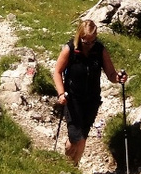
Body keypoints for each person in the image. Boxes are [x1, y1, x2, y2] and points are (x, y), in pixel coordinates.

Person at [52, 17, 126, 165]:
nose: (90, 45)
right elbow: (57, 72)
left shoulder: (99, 50)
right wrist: (61, 93)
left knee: (83, 137)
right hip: (72, 98)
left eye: (93, 41)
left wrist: (118, 78)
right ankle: (66, 164)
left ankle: (74, 167)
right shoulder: (70, 49)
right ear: (80, 37)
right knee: (76, 137)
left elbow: (110, 73)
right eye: (86, 41)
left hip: (92, 100)